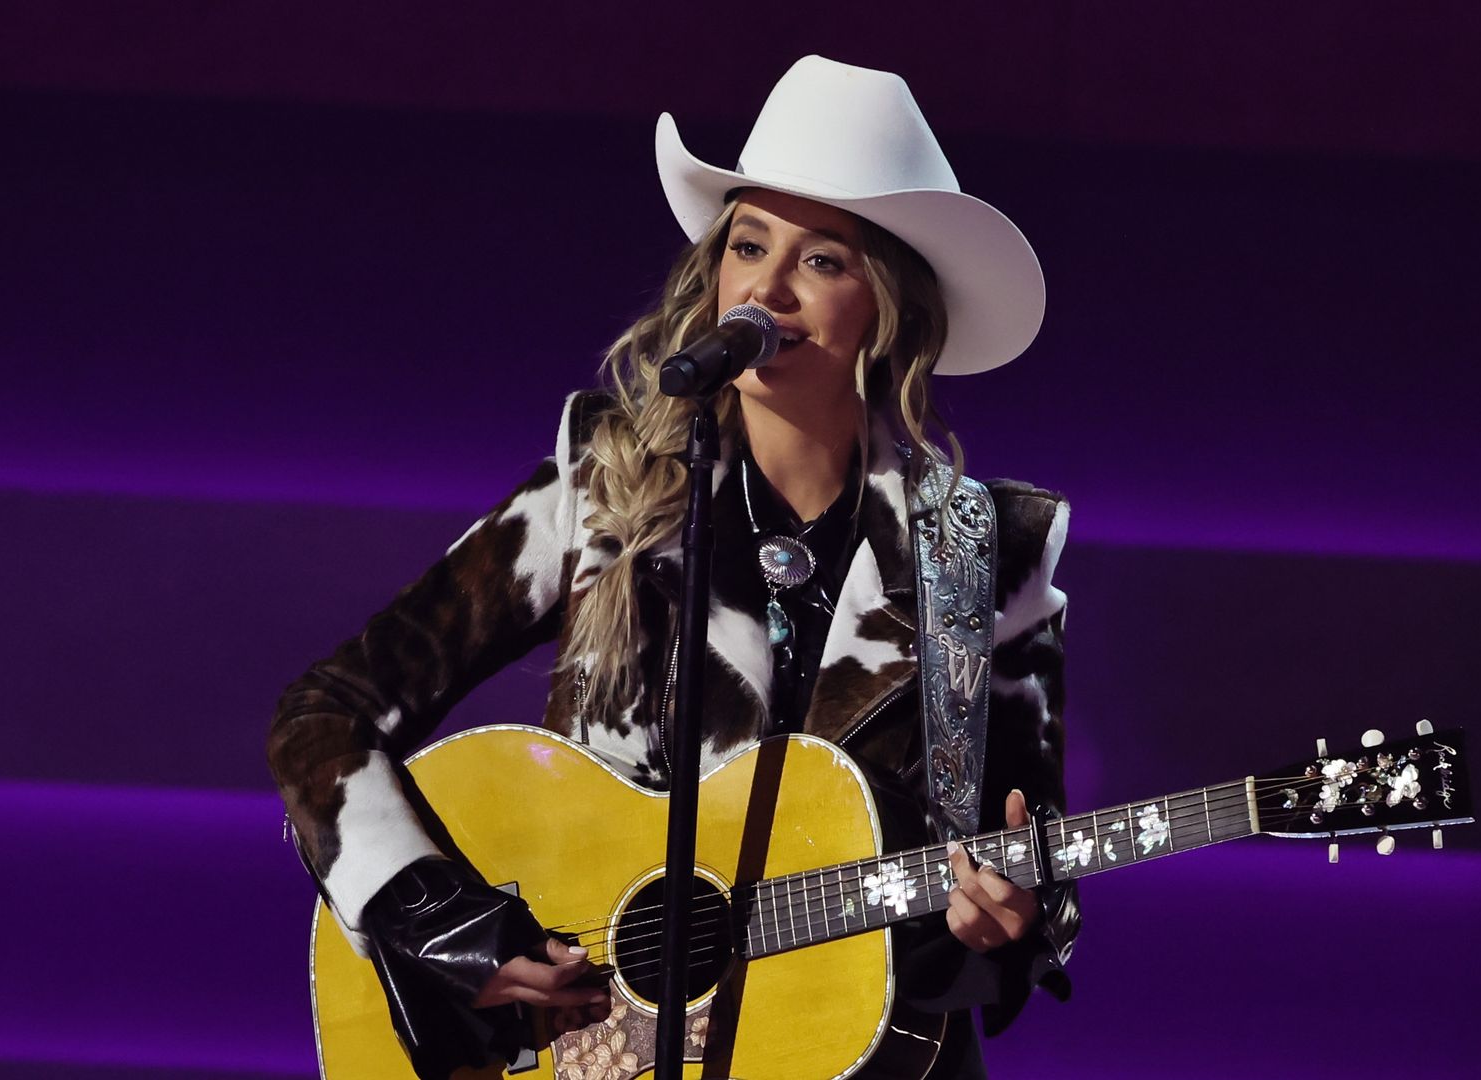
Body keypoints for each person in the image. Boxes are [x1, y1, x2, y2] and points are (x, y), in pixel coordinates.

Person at [269, 55, 1078, 1079]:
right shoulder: (603, 493)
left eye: (823, 260)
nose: (768, 288)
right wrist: (444, 927)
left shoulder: (983, 551)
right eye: (749, 245)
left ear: (890, 311)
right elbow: (325, 713)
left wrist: (1006, 916)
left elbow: (1031, 860)